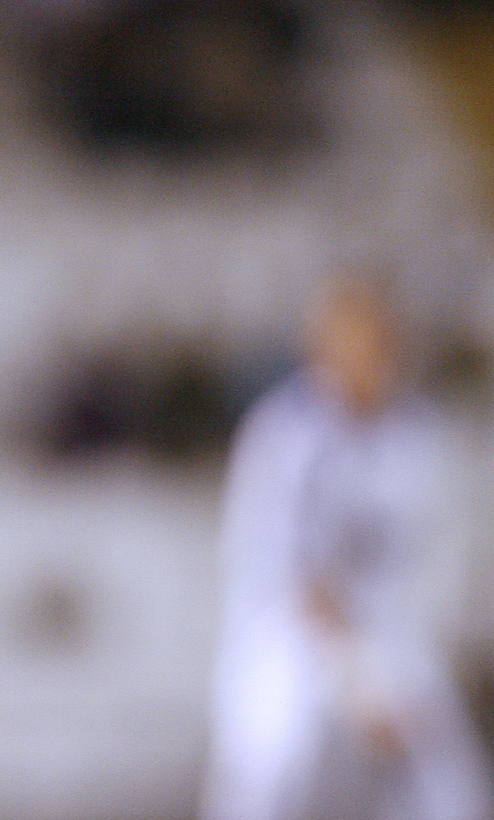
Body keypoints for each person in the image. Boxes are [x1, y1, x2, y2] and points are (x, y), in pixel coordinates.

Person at [200, 274, 491, 820]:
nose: (371, 360)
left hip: (391, 634)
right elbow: (299, 580)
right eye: (357, 343)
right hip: (288, 642)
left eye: (382, 343)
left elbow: (438, 557)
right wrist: (364, 686)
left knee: (451, 790)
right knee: (272, 767)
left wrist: (408, 665)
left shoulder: (420, 434)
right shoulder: (285, 435)